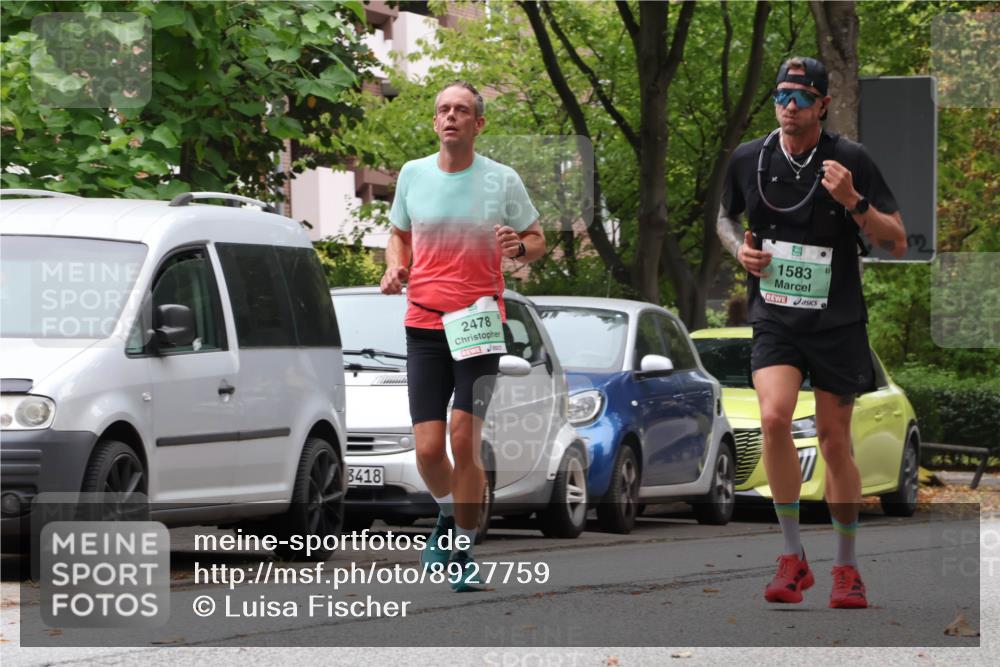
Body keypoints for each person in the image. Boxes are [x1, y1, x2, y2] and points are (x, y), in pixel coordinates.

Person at [717, 57, 907, 609]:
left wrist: (854, 201)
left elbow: (896, 240)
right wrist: (739, 252)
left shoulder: (851, 160)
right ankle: (792, 555)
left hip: (836, 319)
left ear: (823, 104)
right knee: (774, 418)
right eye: (782, 95)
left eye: (802, 97)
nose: (790, 106)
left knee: (833, 440)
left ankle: (846, 567)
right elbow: (725, 219)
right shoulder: (750, 158)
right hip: (775, 315)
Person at [380, 81, 545, 591]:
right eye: (444, 110)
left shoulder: (502, 180)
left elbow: (536, 240)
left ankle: (462, 548)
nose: (451, 116)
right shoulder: (413, 174)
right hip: (424, 322)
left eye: (462, 110)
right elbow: (399, 235)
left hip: (478, 322)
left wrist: (518, 248)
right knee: (429, 449)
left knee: (462, 438)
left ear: (479, 123)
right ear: (435, 122)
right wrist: (394, 267)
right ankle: (450, 517)